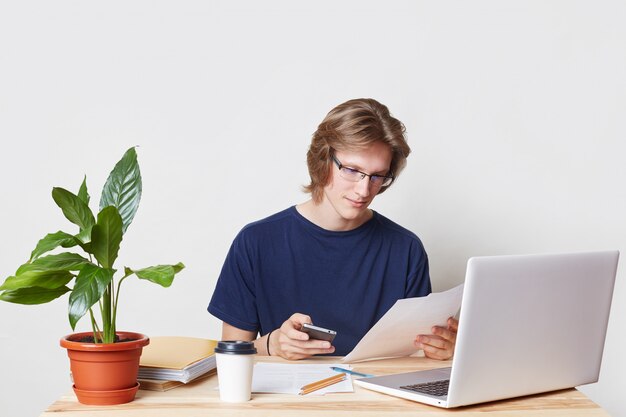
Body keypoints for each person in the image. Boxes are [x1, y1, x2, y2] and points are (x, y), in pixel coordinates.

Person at [208, 98, 458, 361]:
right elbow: (230, 356)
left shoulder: (405, 249)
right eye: (351, 170)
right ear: (322, 159)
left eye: (377, 176)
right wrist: (273, 344)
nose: (364, 190)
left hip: (375, 398)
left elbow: (415, 356)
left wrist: (445, 350)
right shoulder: (256, 242)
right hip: (284, 399)